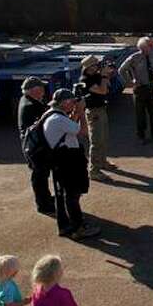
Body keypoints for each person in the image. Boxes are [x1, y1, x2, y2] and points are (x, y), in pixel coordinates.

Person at [43, 89, 101, 240]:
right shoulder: (59, 119)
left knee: (64, 195)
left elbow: (70, 127)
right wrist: (81, 112)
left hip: (61, 160)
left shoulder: (52, 115)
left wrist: (75, 112)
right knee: (72, 195)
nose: (74, 104)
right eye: (72, 102)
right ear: (65, 102)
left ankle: (67, 225)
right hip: (67, 161)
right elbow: (82, 131)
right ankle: (78, 228)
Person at [18, 76, 54, 214]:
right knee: (40, 176)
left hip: (31, 145)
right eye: (41, 88)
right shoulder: (31, 105)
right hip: (35, 147)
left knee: (40, 176)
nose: (44, 90)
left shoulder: (27, 100)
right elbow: (45, 120)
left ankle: (45, 199)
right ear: (34, 90)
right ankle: (43, 205)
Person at [80, 55, 117, 181]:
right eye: (96, 64)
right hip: (94, 112)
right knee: (96, 141)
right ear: (90, 67)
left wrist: (107, 74)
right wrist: (104, 76)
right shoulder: (85, 80)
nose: (98, 66)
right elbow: (102, 91)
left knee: (104, 137)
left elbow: (108, 86)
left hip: (101, 109)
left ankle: (102, 162)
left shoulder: (96, 76)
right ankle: (93, 170)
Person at [119, 36, 153, 144]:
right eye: (149, 45)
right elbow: (122, 70)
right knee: (140, 114)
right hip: (140, 89)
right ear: (142, 47)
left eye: (151, 45)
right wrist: (130, 81)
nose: (151, 47)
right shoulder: (134, 58)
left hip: (151, 87)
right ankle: (141, 136)